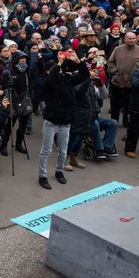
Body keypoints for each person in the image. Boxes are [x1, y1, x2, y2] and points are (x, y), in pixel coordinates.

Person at [38, 50, 88, 189]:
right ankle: (42, 175)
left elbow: (85, 75)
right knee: (46, 150)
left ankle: (59, 171)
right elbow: (50, 81)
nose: (61, 70)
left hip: (65, 123)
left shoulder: (68, 81)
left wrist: (78, 62)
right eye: (56, 69)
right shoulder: (47, 83)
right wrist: (58, 64)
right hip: (51, 122)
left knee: (63, 151)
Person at [106, 31, 139, 127]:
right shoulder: (117, 49)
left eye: (134, 38)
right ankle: (114, 121)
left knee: (128, 104)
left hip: (132, 83)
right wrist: (115, 71)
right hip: (117, 81)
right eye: (129, 38)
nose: (132, 40)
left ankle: (126, 122)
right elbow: (110, 62)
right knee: (115, 103)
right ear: (125, 39)